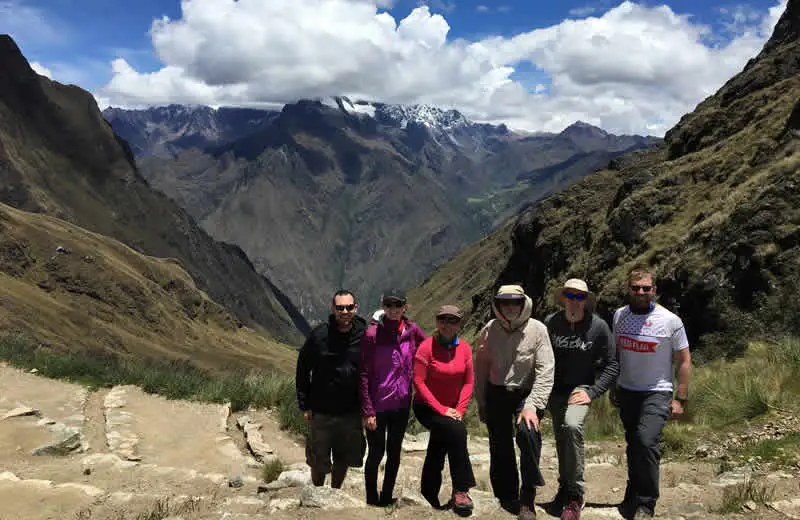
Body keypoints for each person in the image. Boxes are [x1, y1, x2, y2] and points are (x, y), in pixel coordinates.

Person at [612, 266, 692, 520]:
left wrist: (680, 398)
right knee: (634, 444)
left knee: (646, 441)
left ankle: (646, 503)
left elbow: (684, 360)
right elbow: (617, 353)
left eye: (646, 288)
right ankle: (632, 493)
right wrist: (614, 385)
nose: (641, 292)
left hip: (656, 391)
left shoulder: (670, 321)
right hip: (627, 390)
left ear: (654, 290)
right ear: (628, 289)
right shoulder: (619, 316)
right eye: (636, 288)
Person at [475, 284, 555, 520]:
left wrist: (533, 404)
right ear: (498, 305)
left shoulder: (538, 330)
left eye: (515, 303)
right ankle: (506, 495)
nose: (510, 307)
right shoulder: (489, 330)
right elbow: (481, 368)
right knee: (499, 443)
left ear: (523, 304)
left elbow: (546, 369)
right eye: (505, 303)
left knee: (528, 433)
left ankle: (528, 495)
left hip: (526, 393)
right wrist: (481, 401)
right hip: (497, 391)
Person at [544, 279, 619, 520]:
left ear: (585, 300)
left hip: (580, 389)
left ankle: (576, 494)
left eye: (580, 297)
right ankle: (564, 488)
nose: (575, 301)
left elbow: (612, 364)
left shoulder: (598, 327)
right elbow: (542, 357)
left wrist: (593, 391)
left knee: (573, 426)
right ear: (563, 298)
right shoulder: (552, 323)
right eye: (570, 295)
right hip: (555, 392)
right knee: (561, 437)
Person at [360, 288, 427, 506]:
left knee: (394, 452)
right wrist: (368, 410)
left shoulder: (412, 330)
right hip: (378, 405)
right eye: (388, 305)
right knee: (376, 452)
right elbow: (364, 374)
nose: (393, 309)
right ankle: (371, 497)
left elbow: (427, 349)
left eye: (397, 305)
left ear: (405, 307)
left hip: (401, 403)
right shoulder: (372, 335)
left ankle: (386, 496)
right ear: (383, 306)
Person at [295, 289, 368, 488]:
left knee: (343, 457)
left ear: (356, 308)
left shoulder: (364, 335)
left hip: (350, 411)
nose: (345, 311)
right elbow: (302, 368)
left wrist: (368, 407)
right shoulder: (320, 335)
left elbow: (371, 371)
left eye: (349, 307)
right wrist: (305, 405)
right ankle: (317, 493)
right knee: (318, 459)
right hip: (322, 410)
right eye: (340, 307)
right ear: (333, 308)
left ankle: (335, 492)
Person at [412, 305, 476, 516]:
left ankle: (428, 491)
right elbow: (419, 382)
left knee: (441, 439)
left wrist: (460, 409)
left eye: (453, 321)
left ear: (459, 324)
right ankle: (462, 489)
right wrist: (441, 409)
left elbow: (468, 382)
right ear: (437, 322)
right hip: (426, 406)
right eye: (443, 320)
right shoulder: (426, 348)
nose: (448, 325)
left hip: (451, 409)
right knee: (457, 432)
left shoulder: (465, 348)